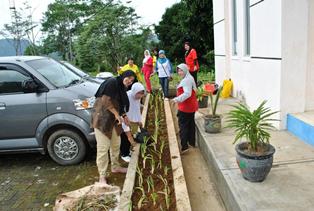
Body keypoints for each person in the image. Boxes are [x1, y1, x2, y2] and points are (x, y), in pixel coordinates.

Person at [91, 70, 136, 185]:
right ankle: (102, 175)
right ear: (123, 76)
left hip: (115, 121)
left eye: (131, 81)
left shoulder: (122, 87)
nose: (129, 82)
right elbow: (105, 101)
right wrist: (117, 114)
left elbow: (119, 104)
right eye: (128, 78)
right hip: (103, 120)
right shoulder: (112, 82)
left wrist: (124, 115)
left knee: (116, 144)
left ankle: (115, 167)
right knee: (103, 148)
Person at [171, 63, 198, 154]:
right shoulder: (190, 77)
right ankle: (191, 142)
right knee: (190, 124)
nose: (179, 72)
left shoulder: (186, 80)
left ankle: (184, 146)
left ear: (185, 70)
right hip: (191, 106)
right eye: (178, 70)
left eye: (181, 70)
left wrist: (176, 99)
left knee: (183, 126)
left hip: (185, 107)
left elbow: (187, 93)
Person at [120, 82, 146, 162]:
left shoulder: (136, 97)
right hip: (124, 120)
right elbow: (122, 112)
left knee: (131, 135)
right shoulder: (126, 97)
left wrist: (139, 120)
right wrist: (129, 136)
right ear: (135, 91)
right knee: (125, 137)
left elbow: (136, 109)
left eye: (142, 94)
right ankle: (124, 154)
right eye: (139, 94)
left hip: (131, 120)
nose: (141, 96)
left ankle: (128, 151)